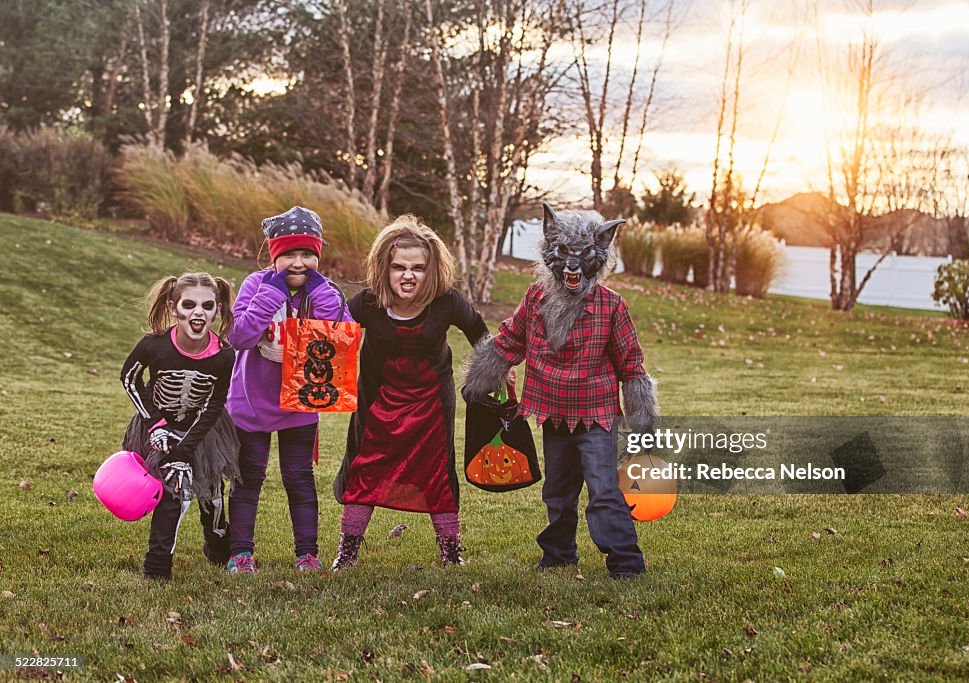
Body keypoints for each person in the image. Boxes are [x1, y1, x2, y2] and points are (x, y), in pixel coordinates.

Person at [463, 204, 659, 580]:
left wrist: (642, 424)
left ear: (598, 258)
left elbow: (632, 366)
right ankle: (558, 553)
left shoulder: (611, 306)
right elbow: (508, 341)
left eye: (582, 258)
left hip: (596, 415)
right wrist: (479, 381)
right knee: (558, 490)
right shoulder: (536, 300)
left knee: (603, 489)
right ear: (550, 252)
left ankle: (626, 560)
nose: (572, 267)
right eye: (564, 257)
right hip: (553, 412)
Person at [332, 215, 488, 569]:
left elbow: (481, 335)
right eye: (399, 266)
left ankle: (451, 552)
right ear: (384, 267)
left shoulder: (447, 301)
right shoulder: (366, 303)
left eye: (418, 267)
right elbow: (329, 340)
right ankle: (347, 552)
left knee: (438, 473)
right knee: (364, 471)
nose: (408, 275)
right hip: (377, 406)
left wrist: (496, 371)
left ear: (431, 269)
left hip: (431, 405)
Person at [225, 206, 350, 574]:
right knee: (249, 478)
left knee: (298, 477)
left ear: (318, 256)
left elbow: (344, 337)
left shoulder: (325, 290)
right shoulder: (255, 284)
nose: (298, 263)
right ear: (275, 255)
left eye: (307, 254)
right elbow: (240, 335)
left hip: (301, 400)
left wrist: (318, 288)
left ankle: (307, 554)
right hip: (252, 401)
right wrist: (273, 292)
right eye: (289, 255)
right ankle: (241, 553)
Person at [120, 272, 239, 581]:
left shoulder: (224, 356)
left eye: (207, 306)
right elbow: (130, 378)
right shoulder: (154, 345)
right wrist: (155, 424)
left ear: (217, 310)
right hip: (157, 424)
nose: (198, 313)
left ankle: (218, 547)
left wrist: (186, 449)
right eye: (189, 304)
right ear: (174, 308)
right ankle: (157, 568)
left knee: (212, 493)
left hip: (203, 430)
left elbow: (214, 404)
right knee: (174, 490)